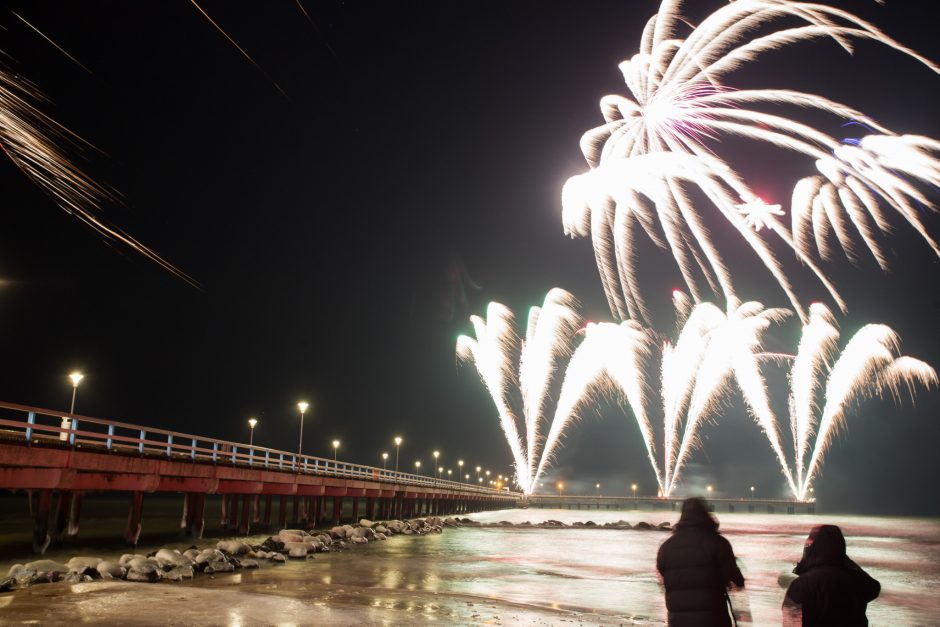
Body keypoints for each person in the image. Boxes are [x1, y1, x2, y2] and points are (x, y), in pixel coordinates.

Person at [657, 497, 745, 626]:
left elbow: (663, 575)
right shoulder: (719, 543)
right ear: (706, 515)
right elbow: (737, 580)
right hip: (713, 619)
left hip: (678, 621)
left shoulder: (666, 547)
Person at [782, 524, 880, 626]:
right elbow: (874, 588)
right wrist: (843, 559)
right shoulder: (857, 581)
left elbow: (790, 621)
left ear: (813, 547)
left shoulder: (801, 585)